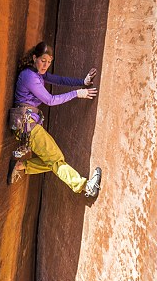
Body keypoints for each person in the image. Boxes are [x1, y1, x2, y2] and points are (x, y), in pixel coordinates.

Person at [7, 41, 102, 197]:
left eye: (49, 62)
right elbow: (50, 100)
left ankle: (19, 166)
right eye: (43, 60)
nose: (45, 65)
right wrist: (77, 93)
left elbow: (59, 80)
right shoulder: (29, 76)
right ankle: (86, 187)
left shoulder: (36, 73)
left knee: (51, 162)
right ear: (34, 57)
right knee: (57, 161)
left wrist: (82, 82)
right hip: (28, 126)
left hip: (27, 126)